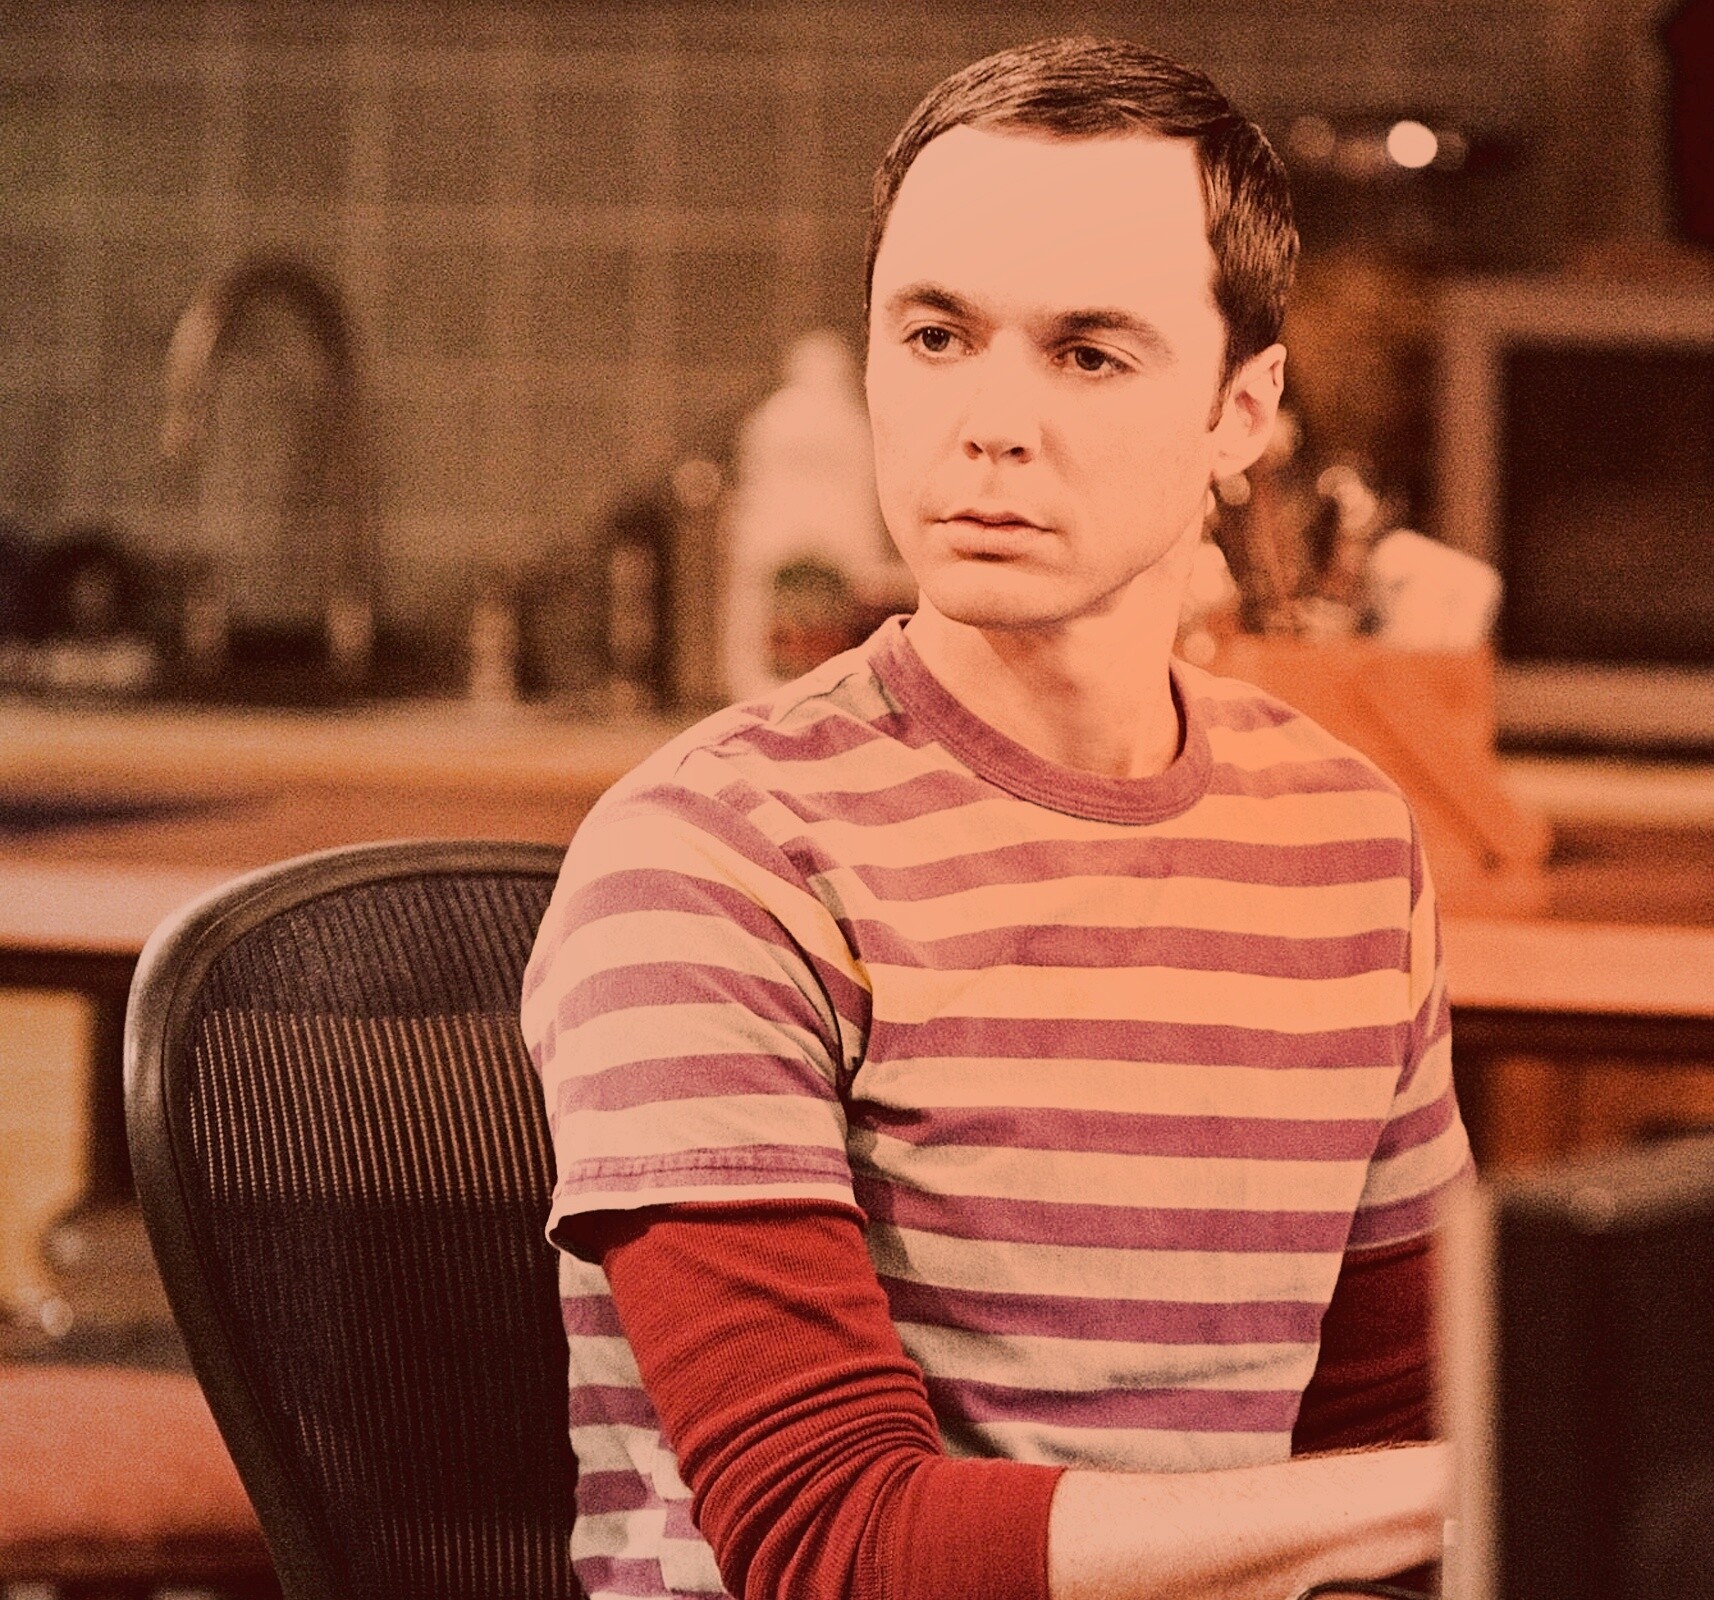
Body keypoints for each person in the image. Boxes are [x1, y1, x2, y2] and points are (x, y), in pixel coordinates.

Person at [519, 35, 1473, 1600]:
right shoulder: (715, 856)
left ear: (1243, 411)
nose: (990, 422)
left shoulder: (1344, 841)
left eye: (1088, 354)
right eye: (937, 336)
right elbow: (834, 1550)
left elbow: (1402, 1451)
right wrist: (1471, 1480)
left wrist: (1494, 1477)